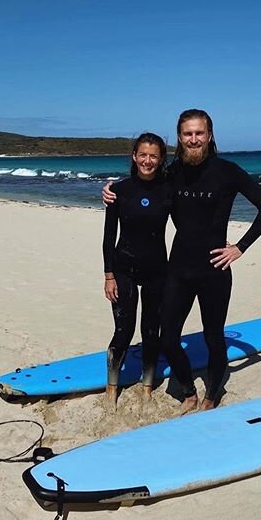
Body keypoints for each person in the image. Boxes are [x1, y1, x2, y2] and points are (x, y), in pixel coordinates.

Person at [104, 110, 261, 412]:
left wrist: (239, 247)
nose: (194, 139)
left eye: (199, 133)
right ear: (180, 138)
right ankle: (188, 392)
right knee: (168, 339)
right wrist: (110, 192)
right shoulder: (172, 173)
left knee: (214, 337)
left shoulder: (228, 171)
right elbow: (142, 183)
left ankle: (211, 397)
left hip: (215, 270)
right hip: (178, 269)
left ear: (209, 136)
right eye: (187, 134)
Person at [102, 133, 172, 408]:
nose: (147, 160)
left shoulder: (168, 189)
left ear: (161, 159)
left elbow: (193, 219)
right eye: (142, 154)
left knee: (151, 330)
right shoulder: (119, 190)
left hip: (157, 269)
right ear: (134, 156)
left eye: (153, 155)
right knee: (124, 330)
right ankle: (112, 386)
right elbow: (109, 237)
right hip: (123, 268)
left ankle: (147, 385)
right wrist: (108, 276)